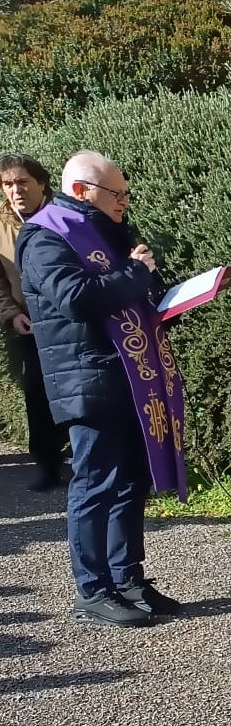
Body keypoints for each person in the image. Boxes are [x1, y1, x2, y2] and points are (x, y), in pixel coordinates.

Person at [18, 151, 187, 627]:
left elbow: (127, 293)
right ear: (80, 191)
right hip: (86, 378)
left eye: (126, 193)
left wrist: (160, 293)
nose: (124, 202)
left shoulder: (108, 233)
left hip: (127, 375)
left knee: (130, 479)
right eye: (117, 193)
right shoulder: (45, 235)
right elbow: (75, 298)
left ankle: (127, 578)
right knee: (95, 483)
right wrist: (136, 273)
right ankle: (92, 590)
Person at [0, 153, 69, 490]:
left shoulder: (65, 216)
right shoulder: (1, 226)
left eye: (22, 182)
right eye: (8, 184)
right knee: (37, 395)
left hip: (69, 321)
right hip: (29, 325)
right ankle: (48, 465)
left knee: (77, 391)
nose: (16, 190)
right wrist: (11, 315)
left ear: (41, 183)